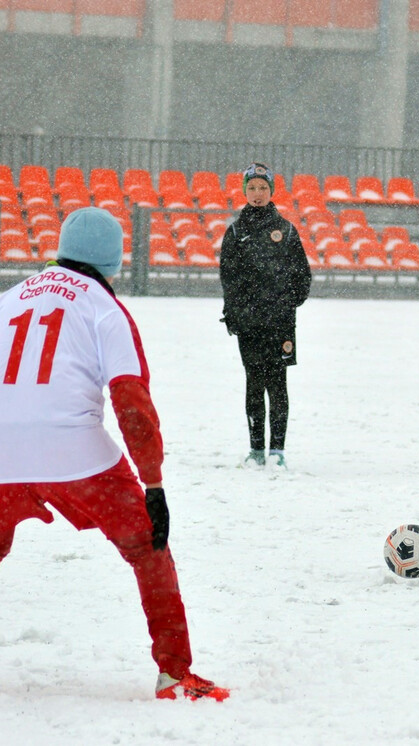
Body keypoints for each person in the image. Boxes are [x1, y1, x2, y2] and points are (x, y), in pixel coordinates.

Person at [0, 207, 228, 701]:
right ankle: (174, 673)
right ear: (113, 263)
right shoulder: (105, 309)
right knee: (149, 549)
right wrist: (154, 483)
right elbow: (131, 402)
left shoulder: (8, 299)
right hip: (75, 455)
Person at [219, 162, 311, 469]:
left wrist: (286, 304)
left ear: (271, 191)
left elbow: (302, 275)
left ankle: (278, 451)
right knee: (253, 384)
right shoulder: (234, 232)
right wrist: (234, 314)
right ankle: (256, 450)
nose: (257, 194)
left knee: (278, 384)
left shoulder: (285, 230)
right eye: (252, 188)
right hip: (249, 323)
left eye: (263, 188)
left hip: (280, 322)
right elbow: (228, 279)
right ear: (244, 191)